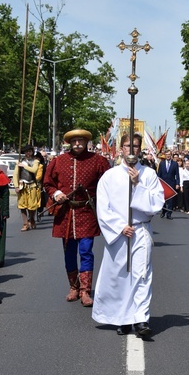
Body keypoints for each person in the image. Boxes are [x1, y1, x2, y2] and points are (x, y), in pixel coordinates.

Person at [92, 133, 164, 337]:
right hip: (119, 233)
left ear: (140, 149)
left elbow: (156, 204)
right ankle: (121, 318)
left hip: (140, 230)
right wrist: (119, 226)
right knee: (119, 276)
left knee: (141, 275)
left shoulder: (148, 174)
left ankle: (141, 318)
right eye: (127, 146)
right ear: (120, 149)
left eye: (135, 146)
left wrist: (137, 185)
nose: (131, 150)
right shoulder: (110, 176)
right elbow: (103, 207)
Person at [44, 129, 110, 306]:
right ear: (69, 143)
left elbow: (109, 183)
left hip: (86, 212)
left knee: (86, 250)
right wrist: (56, 193)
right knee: (69, 252)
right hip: (65, 214)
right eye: (74, 141)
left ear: (86, 142)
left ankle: (85, 290)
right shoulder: (58, 161)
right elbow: (48, 183)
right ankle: (74, 286)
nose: (77, 144)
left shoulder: (98, 161)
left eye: (81, 141)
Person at [13, 145, 42, 231]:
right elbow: (15, 175)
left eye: (29, 151)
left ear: (32, 152)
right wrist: (16, 186)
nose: (28, 153)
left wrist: (24, 166)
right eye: (26, 152)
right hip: (22, 186)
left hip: (32, 185)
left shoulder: (36, 161)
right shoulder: (19, 162)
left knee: (32, 206)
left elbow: (34, 170)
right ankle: (25, 223)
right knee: (22, 206)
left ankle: (31, 218)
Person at [157, 149, 180, 219]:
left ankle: (169, 213)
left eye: (169, 154)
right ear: (165, 155)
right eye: (167, 154)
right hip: (163, 183)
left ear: (171, 155)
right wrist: (157, 183)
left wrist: (177, 183)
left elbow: (177, 174)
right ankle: (163, 211)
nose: (168, 156)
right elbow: (159, 174)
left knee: (171, 199)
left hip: (171, 183)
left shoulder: (175, 164)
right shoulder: (162, 163)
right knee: (163, 199)